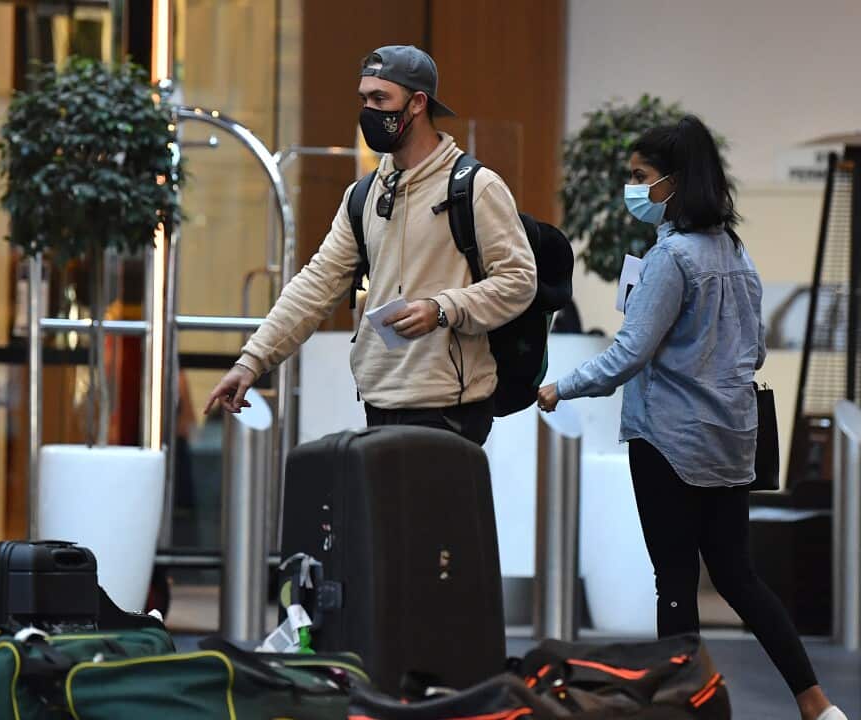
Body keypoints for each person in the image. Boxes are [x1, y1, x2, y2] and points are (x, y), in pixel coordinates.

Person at [537, 116, 846, 720]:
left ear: (673, 183)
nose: (633, 189)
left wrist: (560, 387)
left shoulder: (670, 259)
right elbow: (752, 351)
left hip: (668, 443)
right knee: (739, 576)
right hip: (730, 441)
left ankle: (682, 710)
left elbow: (630, 353)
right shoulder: (736, 251)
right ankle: (817, 704)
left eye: (640, 177)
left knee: (674, 582)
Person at [204, 45, 536, 445]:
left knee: (429, 510)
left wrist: (442, 308)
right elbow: (318, 283)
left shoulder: (474, 187)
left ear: (417, 103)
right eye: (364, 99)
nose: (369, 112)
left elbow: (519, 280)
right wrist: (252, 361)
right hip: (378, 400)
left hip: (449, 406)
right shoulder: (362, 195)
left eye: (381, 99)